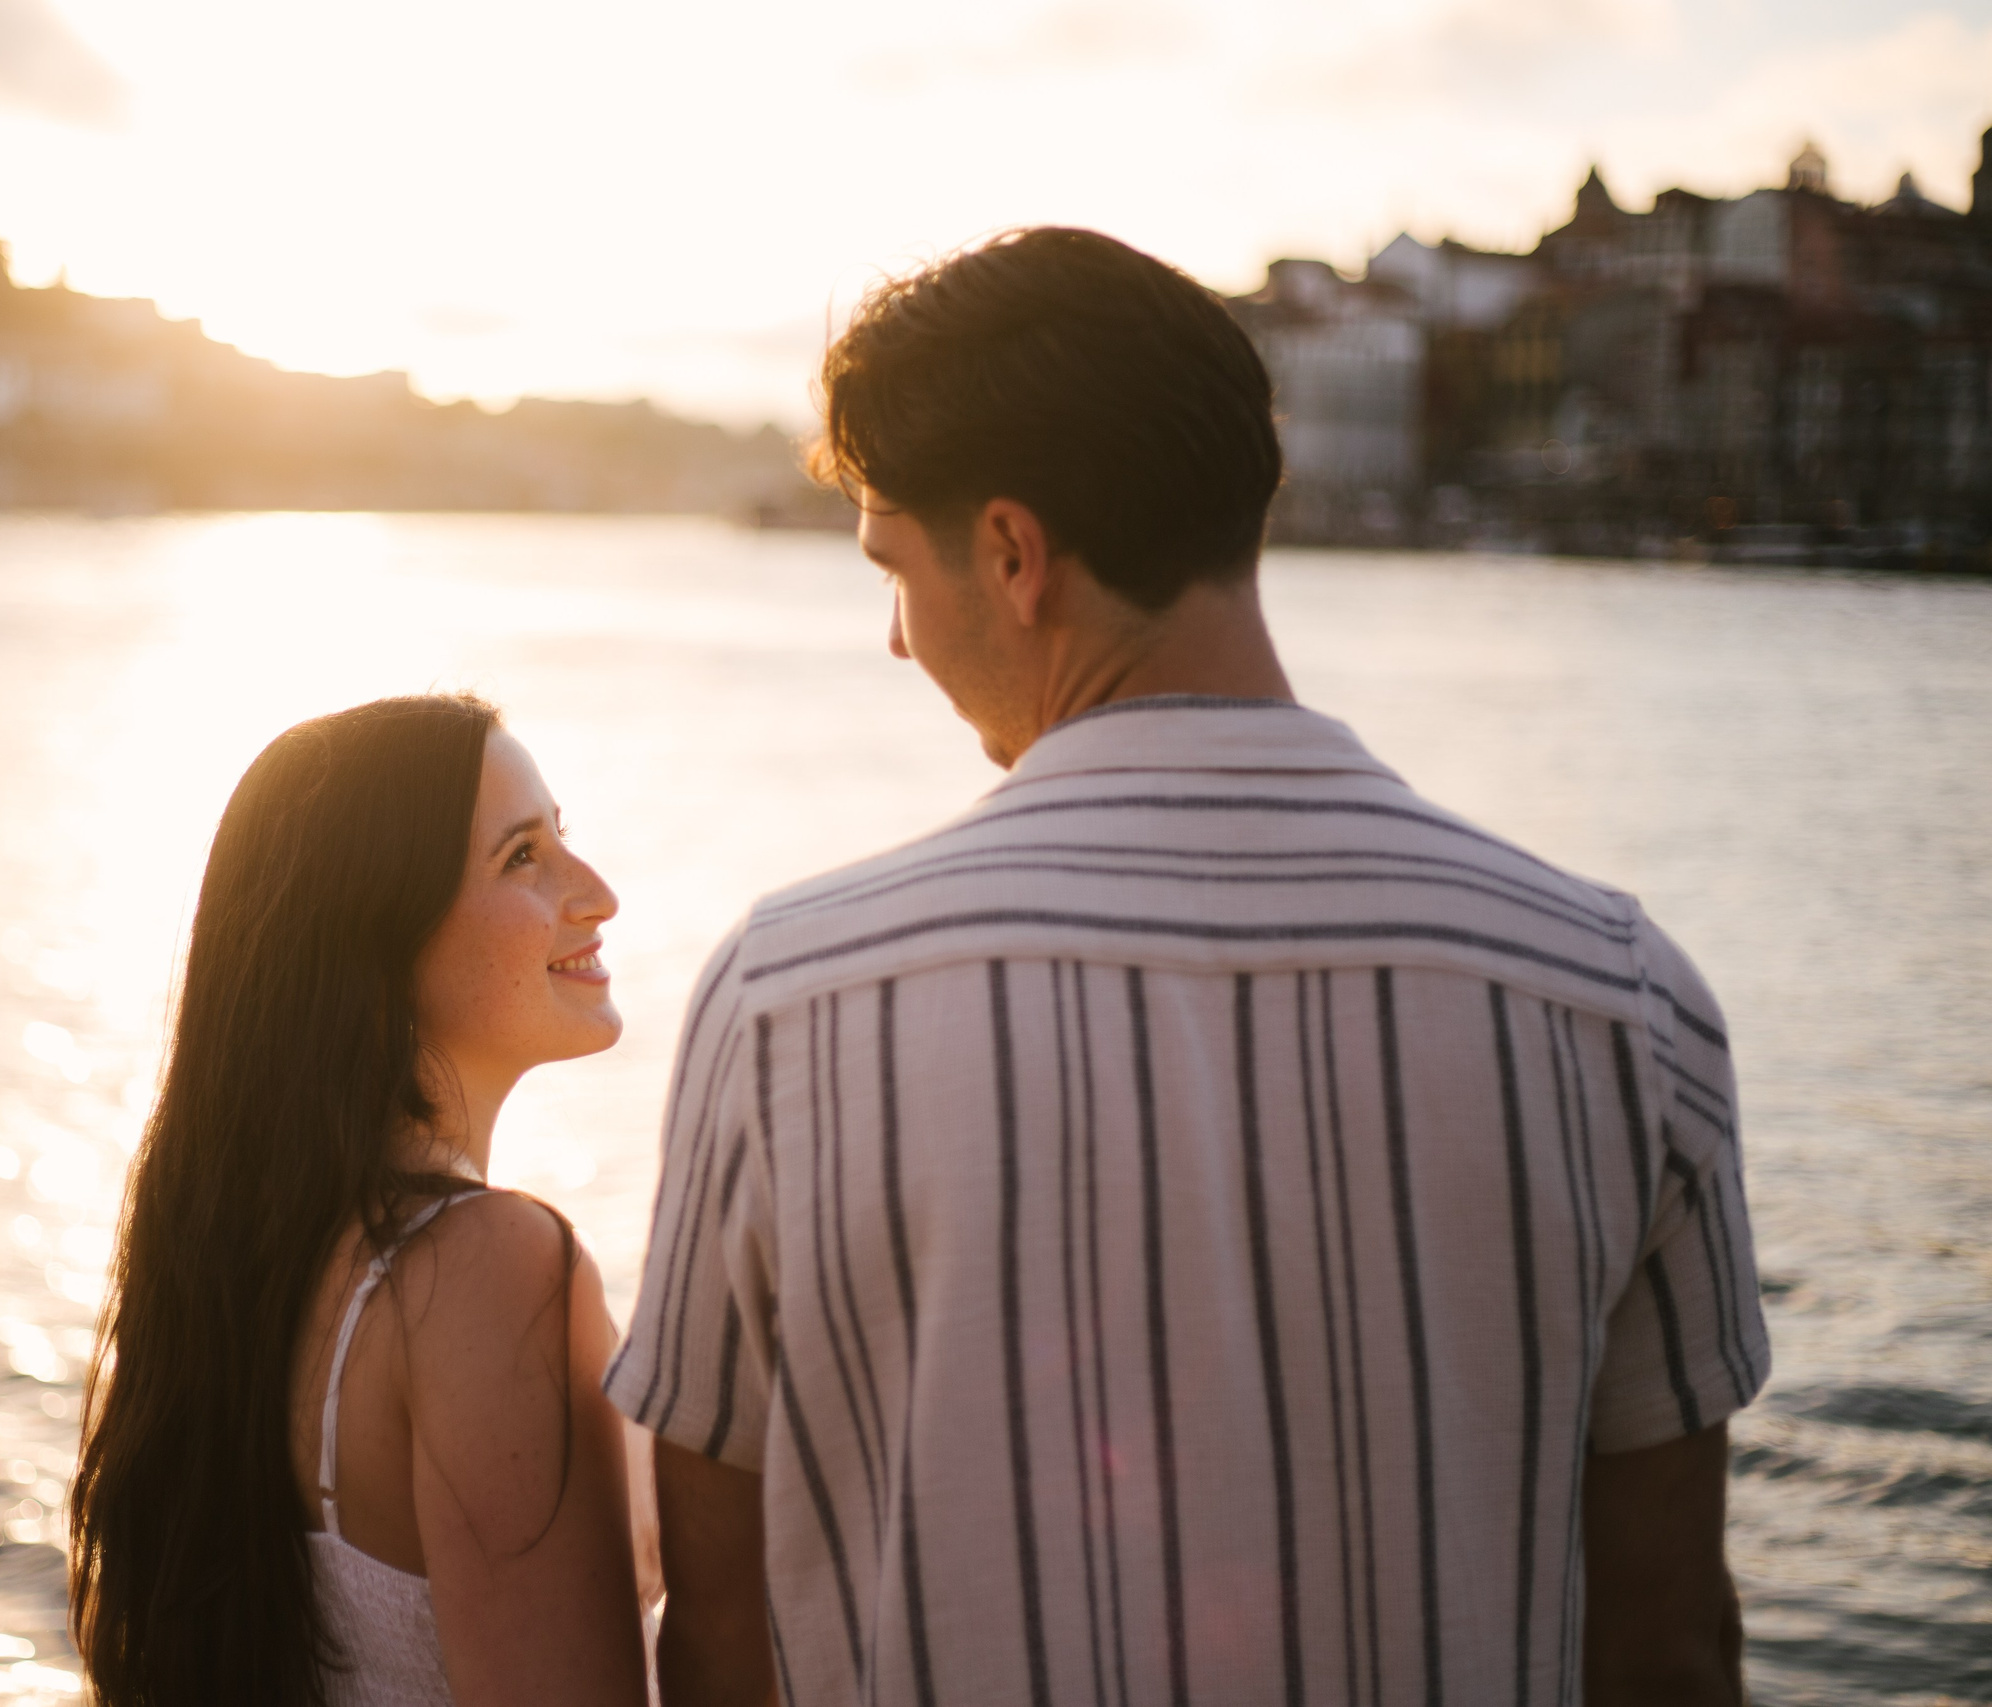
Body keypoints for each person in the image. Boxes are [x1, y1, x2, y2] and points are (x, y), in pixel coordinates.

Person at [609, 229, 1767, 1707]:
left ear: (1014, 556)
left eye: (892, 568)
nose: (896, 641)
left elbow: (718, 1638)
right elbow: (1667, 1652)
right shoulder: (1620, 1002)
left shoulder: (793, 1003)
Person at [69, 695, 651, 1707]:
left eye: (562, 838)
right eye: (522, 856)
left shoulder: (242, 1270)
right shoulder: (490, 1269)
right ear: (378, 945)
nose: (596, 894)